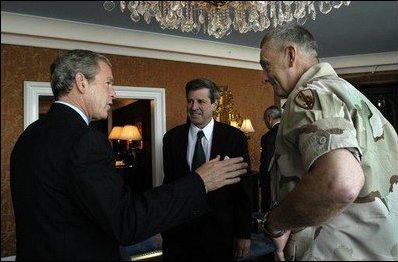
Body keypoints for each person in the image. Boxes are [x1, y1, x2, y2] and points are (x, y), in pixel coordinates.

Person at [9, 49, 248, 261]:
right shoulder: (85, 140)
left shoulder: (29, 135)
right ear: (81, 82)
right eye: (108, 83)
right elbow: (126, 221)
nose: (113, 93)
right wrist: (200, 181)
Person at [259, 23, 398, 261]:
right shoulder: (353, 98)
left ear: (290, 55)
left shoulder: (309, 97)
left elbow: (341, 182)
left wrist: (275, 223)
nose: (264, 77)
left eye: (265, 65)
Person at [161, 78, 253, 260]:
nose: (193, 107)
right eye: (190, 101)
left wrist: (244, 233)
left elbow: (243, 190)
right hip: (179, 232)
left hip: (220, 232)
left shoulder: (234, 138)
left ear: (214, 105)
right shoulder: (171, 138)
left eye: (201, 101)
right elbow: (169, 185)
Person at [259, 105, 281, 213]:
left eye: (264, 119)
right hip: (286, 179)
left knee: (268, 210)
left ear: (269, 117)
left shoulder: (268, 137)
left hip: (270, 180)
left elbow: (266, 163)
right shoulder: (288, 132)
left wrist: (262, 181)